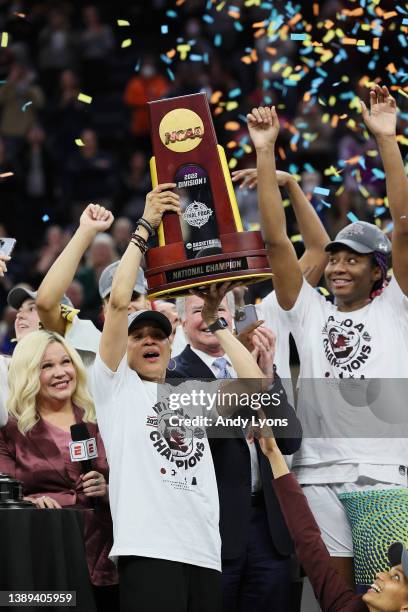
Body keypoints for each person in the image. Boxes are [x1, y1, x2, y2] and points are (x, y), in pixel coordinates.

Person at [89, 182, 277, 612]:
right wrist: (144, 227)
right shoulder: (115, 388)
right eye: (139, 337)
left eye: (159, 334)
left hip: (204, 550)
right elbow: (119, 304)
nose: (149, 341)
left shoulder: (191, 395)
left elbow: (251, 387)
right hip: (150, 549)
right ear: (124, 346)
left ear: (171, 346)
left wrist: (216, 322)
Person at [249, 85, 408, 590]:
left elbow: (404, 227)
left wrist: (387, 138)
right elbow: (277, 243)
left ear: (377, 270)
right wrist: (266, 151)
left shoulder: (397, 306)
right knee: (335, 600)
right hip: (315, 471)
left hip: (384, 470)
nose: (337, 266)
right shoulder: (308, 312)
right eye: (335, 257)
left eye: (352, 259)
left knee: (389, 599)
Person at [168, 291, 302, 612]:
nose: (210, 317)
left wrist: (267, 383)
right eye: (200, 310)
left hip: (269, 529)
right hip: (214, 531)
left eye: (219, 309)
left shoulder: (257, 365)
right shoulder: (173, 373)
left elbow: (290, 441)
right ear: (183, 322)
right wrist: (251, 382)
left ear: (232, 317)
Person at [0, 330, 118, 611]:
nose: (61, 372)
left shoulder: (101, 418)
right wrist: (27, 503)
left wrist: (108, 490)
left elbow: (137, 484)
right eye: (46, 366)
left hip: (108, 557)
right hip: (47, 557)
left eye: (66, 362)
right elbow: (4, 496)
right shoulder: (12, 431)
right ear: (28, 374)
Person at [257, 422, 408, 612]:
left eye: (396, 578)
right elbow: (307, 540)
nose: (380, 574)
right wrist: (272, 453)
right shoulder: (345, 606)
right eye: (390, 571)